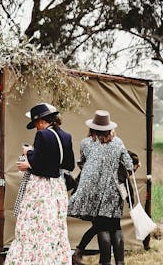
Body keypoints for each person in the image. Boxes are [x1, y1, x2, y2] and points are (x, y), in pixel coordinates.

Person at [5, 102, 74, 265]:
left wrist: (28, 154)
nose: (36, 127)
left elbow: (40, 166)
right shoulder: (66, 136)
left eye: (36, 124)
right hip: (58, 187)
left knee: (34, 225)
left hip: (41, 189)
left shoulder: (42, 135)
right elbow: (69, 165)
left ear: (40, 121)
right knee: (54, 226)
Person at [68, 110, 133, 265]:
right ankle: (120, 262)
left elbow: (82, 163)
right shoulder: (118, 142)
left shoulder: (86, 143)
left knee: (101, 225)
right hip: (113, 192)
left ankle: (103, 261)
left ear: (93, 127)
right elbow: (129, 165)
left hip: (93, 191)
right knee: (115, 226)